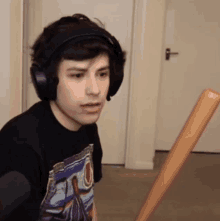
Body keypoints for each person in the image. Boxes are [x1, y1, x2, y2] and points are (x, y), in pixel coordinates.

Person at [0, 13, 127, 221]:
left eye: (102, 74)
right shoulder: (19, 144)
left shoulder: (86, 125)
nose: (95, 90)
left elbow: (88, 201)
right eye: (77, 75)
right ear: (46, 81)